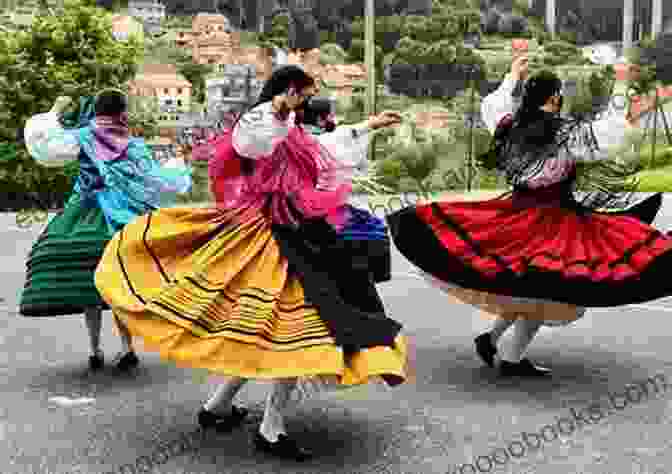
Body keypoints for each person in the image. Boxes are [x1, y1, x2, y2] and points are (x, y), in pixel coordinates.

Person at [94, 66, 408, 460]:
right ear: (287, 91)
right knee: (297, 333)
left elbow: (325, 148)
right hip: (274, 237)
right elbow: (252, 144)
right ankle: (270, 428)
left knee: (267, 331)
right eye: (304, 96)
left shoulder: (291, 126)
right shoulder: (260, 121)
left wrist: (369, 125)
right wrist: (277, 111)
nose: (307, 104)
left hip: (299, 231)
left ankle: (218, 405)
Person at [386, 61, 669, 378]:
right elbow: (609, 135)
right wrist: (619, 85)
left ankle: (492, 339)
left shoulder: (509, 125)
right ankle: (510, 358)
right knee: (542, 286)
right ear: (555, 97)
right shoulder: (564, 133)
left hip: (515, 214)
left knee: (520, 282)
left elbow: (492, 106)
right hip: (552, 220)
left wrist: (512, 77)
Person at [20, 90, 191, 372]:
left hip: (83, 215)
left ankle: (94, 349)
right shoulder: (132, 144)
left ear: (96, 112)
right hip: (121, 217)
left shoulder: (82, 136)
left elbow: (45, 146)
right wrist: (177, 166)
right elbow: (155, 181)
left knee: (88, 285)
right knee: (119, 282)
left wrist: (54, 112)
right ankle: (127, 348)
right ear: (122, 112)